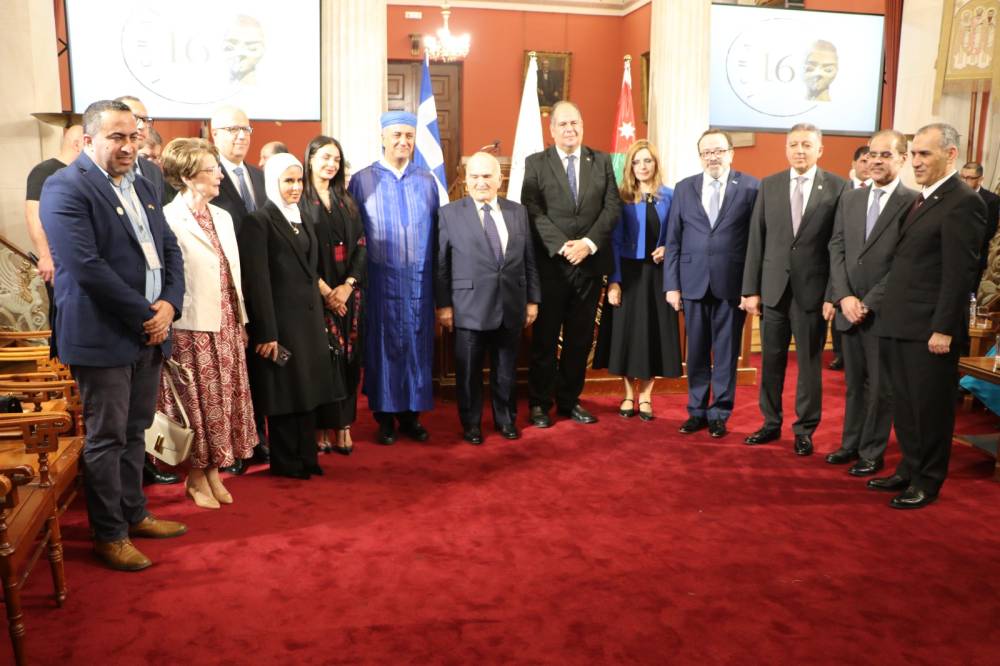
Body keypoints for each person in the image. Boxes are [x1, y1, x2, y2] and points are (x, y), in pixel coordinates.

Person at [40, 99, 187, 571]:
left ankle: (134, 513)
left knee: (135, 431)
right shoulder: (64, 187)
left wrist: (170, 304)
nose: (128, 146)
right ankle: (109, 534)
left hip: (149, 331)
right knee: (106, 438)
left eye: (133, 136)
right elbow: (86, 268)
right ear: (88, 140)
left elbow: (169, 248)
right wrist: (147, 315)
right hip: (102, 334)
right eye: (116, 137)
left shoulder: (144, 182)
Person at [868, 123, 986, 509]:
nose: (915, 161)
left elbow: (960, 273)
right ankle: (909, 467)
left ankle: (928, 480)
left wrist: (944, 329)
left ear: (950, 155)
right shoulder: (923, 198)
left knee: (930, 409)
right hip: (901, 323)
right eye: (914, 153)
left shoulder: (963, 202)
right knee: (905, 405)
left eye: (924, 154)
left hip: (931, 331)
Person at [159, 138, 258, 508]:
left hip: (227, 321)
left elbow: (233, 274)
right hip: (191, 326)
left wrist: (242, 320)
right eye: (211, 169)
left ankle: (214, 470)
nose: (220, 175)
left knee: (224, 401)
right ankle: (197, 476)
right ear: (187, 176)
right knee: (197, 403)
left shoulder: (223, 217)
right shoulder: (168, 218)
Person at [741, 123, 848, 456]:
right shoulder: (769, 185)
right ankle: (770, 423)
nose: (799, 150)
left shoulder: (838, 187)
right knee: (771, 362)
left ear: (820, 149)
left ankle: (804, 430)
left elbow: (838, 245)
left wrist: (832, 294)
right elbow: (756, 239)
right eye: (794, 144)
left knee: (809, 364)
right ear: (786, 149)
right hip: (773, 290)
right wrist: (751, 290)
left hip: (812, 294)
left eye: (806, 145)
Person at [522, 101, 622, 428]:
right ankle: (539, 403)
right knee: (545, 340)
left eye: (574, 123)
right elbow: (532, 209)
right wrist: (563, 246)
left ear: (582, 125)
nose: (570, 129)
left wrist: (588, 244)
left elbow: (612, 207)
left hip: (589, 266)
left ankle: (569, 400)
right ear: (552, 130)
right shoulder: (536, 163)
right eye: (563, 124)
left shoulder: (602, 161)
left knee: (579, 340)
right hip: (552, 266)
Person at [238, 152, 338, 479]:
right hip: (279, 324)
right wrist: (267, 331)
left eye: (299, 180)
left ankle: (307, 457)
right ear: (273, 182)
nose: (295, 187)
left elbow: (311, 271)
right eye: (288, 181)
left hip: (308, 322)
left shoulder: (303, 216)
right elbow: (257, 281)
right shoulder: (259, 221)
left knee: (307, 390)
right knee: (284, 392)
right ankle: (286, 461)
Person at [825, 130, 918, 477]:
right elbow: (836, 247)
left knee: (880, 388)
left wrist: (867, 302)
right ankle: (850, 443)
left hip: (883, 312)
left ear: (903, 159)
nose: (876, 161)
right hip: (848, 308)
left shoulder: (913, 203)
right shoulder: (851, 199)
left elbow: (905, 262)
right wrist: (844, 296)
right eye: (872, 155)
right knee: (854, 385)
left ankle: (871, 452)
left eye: (885, 155)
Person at [435, 152, 541, 444]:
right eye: (474, 176)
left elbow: (529, 259)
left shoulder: (518, 212)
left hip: (511, 304)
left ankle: (505, 419)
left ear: (500, 179)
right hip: (468, 307)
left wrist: (532, 299)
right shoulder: (449, 213)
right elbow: (441, 265)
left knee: (506, 370)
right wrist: (443, 305)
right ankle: (471, 424)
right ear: (466, 180)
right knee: (468, 371)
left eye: (487, 176)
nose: (480, 182)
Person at [347, 111, 439, 445]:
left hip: (419, 284)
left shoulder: (427, 180)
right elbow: (355, 234)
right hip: (379, 283)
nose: (403, 141)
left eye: (409, 136)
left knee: (416, 345)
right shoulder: (362, 180)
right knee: (382, 346)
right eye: (396, 135)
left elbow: (438, 233)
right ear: (383, 138)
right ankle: (384, 418)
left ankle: (412, 416)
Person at [664, 129, 759, 438]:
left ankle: (719, 412)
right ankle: (696, 411)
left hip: (732, 285)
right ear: (700, 156)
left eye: (718, 151)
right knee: (696, 352)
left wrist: (751, 288)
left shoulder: (751, 187)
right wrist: (672, 285)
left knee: (726, 353)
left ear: (731, 153)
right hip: (692, 283)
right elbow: (673, 240)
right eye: (706, 152)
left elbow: (756, 243)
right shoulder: (684, 188)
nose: (712, 157)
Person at [595, 140, 680, 421]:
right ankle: (629, 394)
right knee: (627, 336)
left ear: (655, 164)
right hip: (628, 275)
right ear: (630, 166)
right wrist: (614, 282)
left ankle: (646, 396)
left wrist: (667, 248)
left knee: (654, 334)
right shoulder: (621, 198)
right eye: (636, 161)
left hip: (659, 275)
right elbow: (614, 242)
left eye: (647, 160)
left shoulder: (671, 196)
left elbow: (678, 235)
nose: (642, 166)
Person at [209, 105, 268, 474]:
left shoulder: (260, 177)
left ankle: (257, 437)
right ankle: (232, 446)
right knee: (230, 372)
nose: (241, 136)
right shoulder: (207, 176)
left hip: (261, 286)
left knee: (261, 367)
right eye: (232, 129)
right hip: (225, 288)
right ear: (214, 134)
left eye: (245, 129)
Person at [301, 135, 366, 455]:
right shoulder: (299, 199)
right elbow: (299, 252)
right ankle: (321, 427)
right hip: (316, 298)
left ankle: (343, 426)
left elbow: (362, 245)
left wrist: (348, 286)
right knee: (324, 362)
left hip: (348, 296)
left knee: (349, 361)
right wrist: (327, 291)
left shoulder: (346, 200)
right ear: (310, 159)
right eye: (325, 157)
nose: (331, 164)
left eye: (336, 160)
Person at [829, 144, 873, 371]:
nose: (868, 165)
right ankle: (839, 354)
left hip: (872, 278)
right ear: (854, 164)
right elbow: (834, 239)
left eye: (871, 159)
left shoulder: (888, 196)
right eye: (863, 161)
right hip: (842, 268)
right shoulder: (839, 191)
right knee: (840, 314)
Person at [24, 124, 83, 284]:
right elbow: (33, 214)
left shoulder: (83, 173)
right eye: (89, 142)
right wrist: (45, 256)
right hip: (60, 261)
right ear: (77, 144)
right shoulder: (44, 171)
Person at [114, 96, 169, 205]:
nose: (142, 126)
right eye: (134, 118)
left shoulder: (154, 171)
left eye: (145, 120)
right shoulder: (103, 168)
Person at [959, 161, 1000, 282]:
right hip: (951, 255)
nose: (964, 181)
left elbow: (989, 231)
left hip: (974, 256)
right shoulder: (953, 196)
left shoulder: (991, 200)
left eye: (969, 178)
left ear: (980, 179)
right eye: (962, 177)